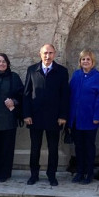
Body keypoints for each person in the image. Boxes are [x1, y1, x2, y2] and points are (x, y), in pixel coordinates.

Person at [22, 44, 69, 186]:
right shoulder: (32, 70)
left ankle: (51, 175)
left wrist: (63, 115)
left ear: (54, 54)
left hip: (54, 117)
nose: (47, 56)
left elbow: (65, 95)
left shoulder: (61, 71)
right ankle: (34, 175)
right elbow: (26, 94)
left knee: (53, 148)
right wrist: (26, 114)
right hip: (35, 117)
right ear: (40, 54)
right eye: (45, 53)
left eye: (50, 53)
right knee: (35, 147)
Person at [67, 49, 99, 185]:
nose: (85, 61)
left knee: (89, 147)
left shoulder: (98, 77)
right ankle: (80, 172)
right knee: (78, 147)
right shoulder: (76, 75)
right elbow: (70, 95)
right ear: (80, 61)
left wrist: (97, 116)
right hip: (76, 119)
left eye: (88, 59)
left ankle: (89, 173)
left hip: (90, 119)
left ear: (92, 61)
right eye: (83, 59)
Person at [0, 53, 22, 183]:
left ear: (8, 64)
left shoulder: (14, 77)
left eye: (3, 62)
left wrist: (14, 102)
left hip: (9, 118)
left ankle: (5, 173)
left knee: (7, 147)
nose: (1, 64)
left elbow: (21, 95)